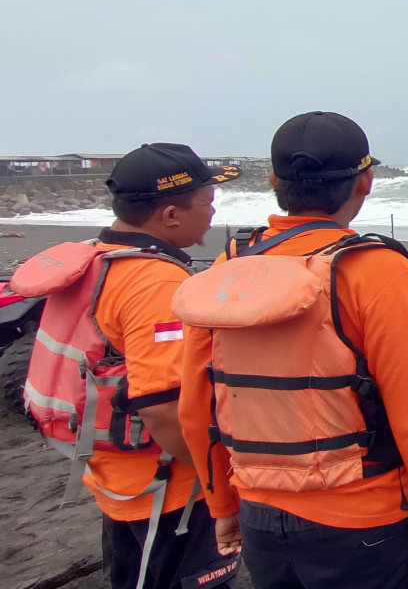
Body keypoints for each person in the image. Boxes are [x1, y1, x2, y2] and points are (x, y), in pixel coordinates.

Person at [174, 111, 408, 588]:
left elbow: (196, 404)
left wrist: (222, 504)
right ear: (366, 183)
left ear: (274, 180)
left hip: (259, 513)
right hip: (368, 521)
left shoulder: (229, 268)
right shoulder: (375, 270)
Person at [12, 143, 241, 589]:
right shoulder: (155, 281)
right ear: (171, 215)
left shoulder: (95, 260)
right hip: (169, 491)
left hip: (112, 478)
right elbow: (163, 407)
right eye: (207, 204)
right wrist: (221, 486)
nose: (212, 215)